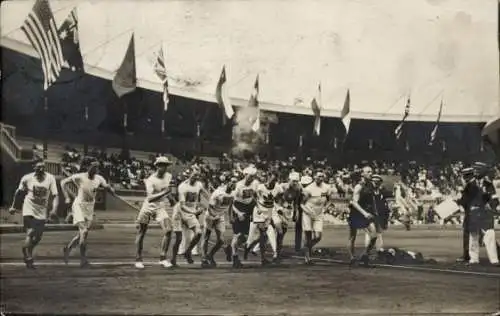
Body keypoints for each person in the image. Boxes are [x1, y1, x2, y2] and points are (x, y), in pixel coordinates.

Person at [61, 159, 115, 267]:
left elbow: (106, 186)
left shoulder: (99, 178)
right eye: (93, 167)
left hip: (90, 208)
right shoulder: (79, 177)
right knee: (84, 231)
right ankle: (83, 260)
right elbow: (63, 182)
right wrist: (66, 196)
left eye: (97, 167)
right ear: (88, 167)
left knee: (82, 234)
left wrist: (111, 189)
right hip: (79, 206)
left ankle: (68, 249)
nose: (96, 169)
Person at [9, 161, 59, 269]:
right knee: (30, 232)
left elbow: (55, 195)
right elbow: (18, 192)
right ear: (34, 168)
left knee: (38, 237)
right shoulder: (27, 178)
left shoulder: (50, 178)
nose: (41, 169)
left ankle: (26, 249)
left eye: (43, 167)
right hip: (29, 208)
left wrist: (54, 209)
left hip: (42, 210)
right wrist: (13, 206)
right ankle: (28, 256)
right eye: (38, 167)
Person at [134, 156, 174, 269]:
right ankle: (138, 259)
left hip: (160, 207)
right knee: (141, 232)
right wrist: (165, 193)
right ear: (157, 166)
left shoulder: (168, 176)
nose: (164, 167)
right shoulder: (150, 180)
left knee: (169, 230)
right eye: (162, 165)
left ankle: (162, 257)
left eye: (166, 165)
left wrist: (171, 199)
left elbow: (166, 190)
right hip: (148, 207)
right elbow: (150, 198)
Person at [244, 171, 282, 265]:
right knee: (263, 234)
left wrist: (278, 207)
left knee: (277, 231)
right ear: (268, 178)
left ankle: (275, 253)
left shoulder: (278, 188)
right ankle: (263, 257)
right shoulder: (260, 187)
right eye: (271, 180)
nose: (272, 182)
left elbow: (279, 198)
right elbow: (252, 196)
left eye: (274, 181)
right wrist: (257, 205)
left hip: (270, 210)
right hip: (259, 211)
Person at [225, 166, 258, 268]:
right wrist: (236, 214)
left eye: (253, 176)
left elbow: (255, 196)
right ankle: (235, 258)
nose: (251, 178)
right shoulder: (238, 186)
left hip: (248, 208)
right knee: (237, 234)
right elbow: (231, 203)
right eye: (249, 176)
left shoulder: (255, 184)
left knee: (245, 237)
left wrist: (257, 208)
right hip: (238, 207)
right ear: (245, 175)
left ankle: (230, 248)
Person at [201, 175, 236, 267]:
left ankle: (210, 255)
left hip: (220, 217)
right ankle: (204, 259)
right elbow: (210, 207)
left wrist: (231, 216)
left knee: (221, 240)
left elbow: (231, 205)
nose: (234, 184)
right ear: (227, 182)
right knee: (206, 237)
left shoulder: (233, 193)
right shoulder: (218, 192)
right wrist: (213, 216)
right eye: (232, 181)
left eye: (235, 182)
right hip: (210, 216)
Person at [171, 169, 204, 266]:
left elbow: (202, 195)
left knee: (198, 233)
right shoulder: (182, 186)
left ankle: (188, 251)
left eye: (198, 176)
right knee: (179, 238)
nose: (196, 177)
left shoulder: (199, 185)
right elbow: (182, 205)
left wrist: (202, 205)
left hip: (191, 212)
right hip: (179, 212)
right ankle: (173, 259)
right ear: (189, 175)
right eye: (194, 175)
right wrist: (194, 212)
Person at [347, 166, 379, 265]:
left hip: (367, 213)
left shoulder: (371, 185)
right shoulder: (358, 186)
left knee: (374, 235)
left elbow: (372, 199)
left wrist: (375, 211)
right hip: (357, 213)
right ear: (363, 174)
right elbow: (354, 203)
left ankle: (365, 254)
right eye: (368, 172)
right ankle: (352, 257)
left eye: (371, 171)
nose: (371, 173)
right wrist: (364, 213)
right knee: (352, 236)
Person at [300, 171, 333, 264]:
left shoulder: (327, 187)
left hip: (319, 214)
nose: (320, 178)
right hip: (308, 213)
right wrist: (308, 212)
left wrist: (325, 208)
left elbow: (330, 200)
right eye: (318, 176)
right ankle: (307, 258)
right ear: (314, 177)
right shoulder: (308, 189)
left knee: (318, 236)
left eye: (322, 176)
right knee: (308, 234)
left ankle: (306, 248)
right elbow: (302, 204)